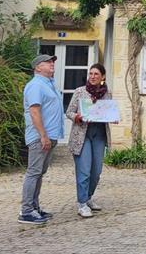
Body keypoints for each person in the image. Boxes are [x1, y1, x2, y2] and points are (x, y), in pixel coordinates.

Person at [19, 52, 64, 225]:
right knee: (34, 172)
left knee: (39, 173)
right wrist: (43, 135)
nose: (52, 63)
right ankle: (26, 211)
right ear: (38, 67)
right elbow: (34, 111)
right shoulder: (36, 85)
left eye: (52, 61)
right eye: (47, 62)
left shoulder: (49, 84)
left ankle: (35, 207)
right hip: (40, 137)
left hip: (49, 136)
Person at [66, 62, 112, 219]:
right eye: (91, 74)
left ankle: (88, 197)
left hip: (99, 134)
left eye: (96, 74)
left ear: (102, 77)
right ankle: (82, 203)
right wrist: (76, 117)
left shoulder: (107, 94)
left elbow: (108, 113)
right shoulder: (80, 92)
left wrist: (113, 117)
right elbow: (69, 112)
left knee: (96, 171)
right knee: (84, 170)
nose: (92, 77)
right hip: (82, 135)